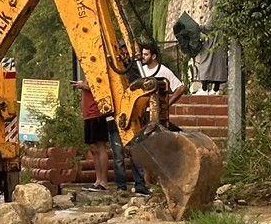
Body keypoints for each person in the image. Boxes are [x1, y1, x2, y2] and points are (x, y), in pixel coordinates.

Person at [109, 42, 148, 194]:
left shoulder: (134, 70)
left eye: (126, 51)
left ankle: (140, 185)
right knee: (118, 155)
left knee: (136, 153)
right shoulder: (113, 70)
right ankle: (121, 186)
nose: (124, 54)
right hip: (116, 118)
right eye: (122, 51)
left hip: (134, 116)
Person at [72, 77, 110, 192]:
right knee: (92, 148)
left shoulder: (98, 72)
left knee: (100, 146)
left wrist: (84, 86)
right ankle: (98, 180)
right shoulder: (88, 74)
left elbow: (102, 90)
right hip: (87, 115)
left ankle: (104, 181)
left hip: (96, 113)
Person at [195, 0, 228, 93]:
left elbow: (209, 27)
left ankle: (204, 88)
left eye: (206, 1)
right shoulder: (220, 9)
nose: (205, 4)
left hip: (213, 40)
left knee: (205, 61)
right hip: (219, 40)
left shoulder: (215, 10)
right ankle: (215, 88)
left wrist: (199, 27)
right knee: (218, 64)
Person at [137, 40, 186, 109]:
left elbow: (180, 88)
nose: (143, 57)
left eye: (146, 54)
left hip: (156, 112)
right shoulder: (141, 70)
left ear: (153, 56)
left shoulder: (163, 70)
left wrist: (167, 105)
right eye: (142, 54)